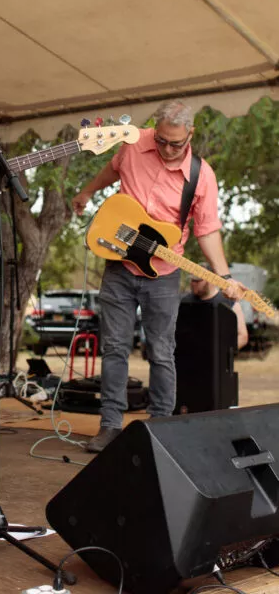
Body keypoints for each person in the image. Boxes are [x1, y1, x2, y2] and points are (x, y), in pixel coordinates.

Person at [72, 100, 242, 453]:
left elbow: (207, 230)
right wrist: (88, 190)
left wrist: (223, 276)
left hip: (163, 274)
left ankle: (160, 425)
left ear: (190, 134)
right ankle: (110, 426)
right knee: (115, 348)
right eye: (162, 140)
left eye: (175, 143)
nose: (166, 149)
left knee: (161, 352)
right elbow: (111, 170)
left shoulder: (201, 175)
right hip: (118, 265)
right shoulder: (134, 144)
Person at [181, 274, 249, 349]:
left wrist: (223, 353)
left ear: (211, 281)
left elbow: (243, 336)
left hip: (217, 357)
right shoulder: (183, 301)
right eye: (192, 280)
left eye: (198, 281)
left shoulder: (229, 302)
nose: (193, 283)